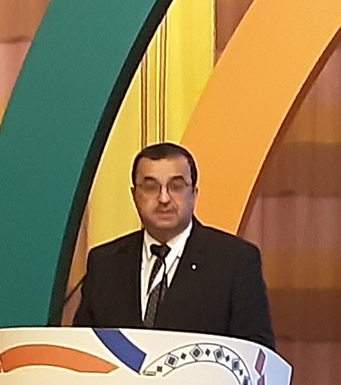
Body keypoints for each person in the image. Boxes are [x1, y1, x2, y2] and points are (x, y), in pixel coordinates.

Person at [72, 142, 276, 350]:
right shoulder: (105, 262)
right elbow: (83, 349)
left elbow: (257, 352)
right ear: (134, 195)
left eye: (176, 186)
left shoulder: (234, 261)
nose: (163, 199)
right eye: (151, 187)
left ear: (194, 193)